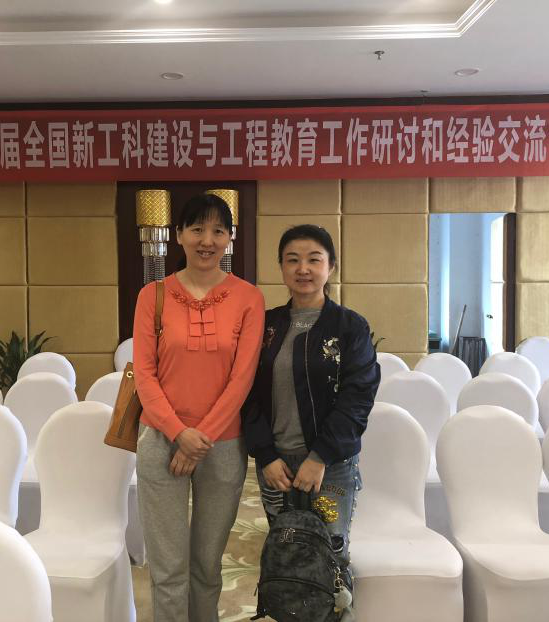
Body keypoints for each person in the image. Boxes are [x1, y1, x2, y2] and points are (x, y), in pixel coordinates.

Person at [133, 193, 265, 622]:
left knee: (207, 566)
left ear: (230, 238)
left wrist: (200, 438)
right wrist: (179, 434)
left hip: (222, 445)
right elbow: (145, 376)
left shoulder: (248, 298)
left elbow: (242, 378)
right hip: (161, 440)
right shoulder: (152, 295)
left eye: (218, 231)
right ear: (178, 235)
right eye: (197, 229)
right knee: (168, 569)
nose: (207, 240)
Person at [242, 224, 380, 610]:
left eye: (313, 259)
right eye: (293, 260)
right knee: (285, 555)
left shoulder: (350, 327)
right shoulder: (265, 326)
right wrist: (265, 455)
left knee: (331, 556)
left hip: (329, 467)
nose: (303, 268)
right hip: (276, 467)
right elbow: (245, 393)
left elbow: (358, 398)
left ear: (330, 266)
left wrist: (319, 457)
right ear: (281, 268)